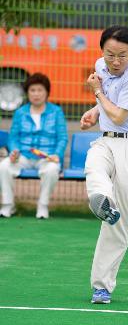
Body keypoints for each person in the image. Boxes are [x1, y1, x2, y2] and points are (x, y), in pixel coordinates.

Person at [80, 26, 128, 304]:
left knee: (118, 223)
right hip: (107, 139)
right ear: (102, 52)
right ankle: (102, 200)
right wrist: (94, 111)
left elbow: (120, 115)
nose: (115, 61)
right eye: (110, 54)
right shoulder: (101, 64)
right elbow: (108, 108)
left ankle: (102, 287)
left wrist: (97, 94)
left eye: (122, 55)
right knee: (93, 163)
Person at [0, 73, 68, 219]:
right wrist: (15, 151)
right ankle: (7, 206)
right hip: (23, 155)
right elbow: (13, 136)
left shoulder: (56, 112)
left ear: (46, 92)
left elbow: (62, 138)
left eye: (40, 90)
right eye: (32, 90)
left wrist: (57, 154)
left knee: (51, 169)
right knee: (4, 166)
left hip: (47, 156)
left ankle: (42, 206)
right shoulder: (20, 112)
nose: (36, 94)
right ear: (27, 93)